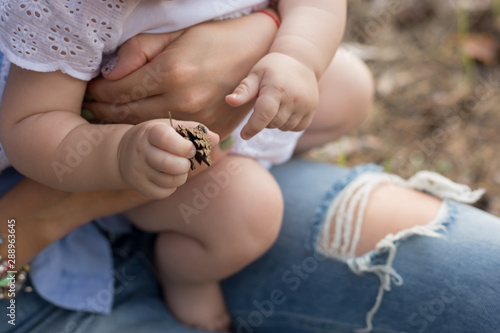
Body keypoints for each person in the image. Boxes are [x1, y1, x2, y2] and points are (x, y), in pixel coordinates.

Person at [0, 10, 499, 333]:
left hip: (231, 107)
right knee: (248, 210)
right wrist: (118, 154)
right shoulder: (64, 11)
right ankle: (183, 269)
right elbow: (30, 124)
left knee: (348, 87)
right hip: (125, 163)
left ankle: (261, 156)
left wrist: (291, 53)